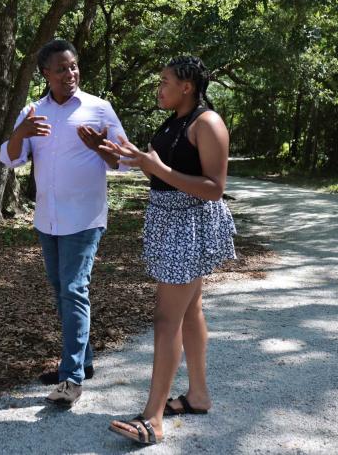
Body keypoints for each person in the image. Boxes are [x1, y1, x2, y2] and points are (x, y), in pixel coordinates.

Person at [100, 56, 236, 445]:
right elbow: (158, 168)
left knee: (166, 319)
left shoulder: (207, 123)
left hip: (189, 224)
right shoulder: (174, 120)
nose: (159, 88)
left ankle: (153, 419)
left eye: (164, 81)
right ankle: (198, 396)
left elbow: (214, 187)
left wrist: (156, 169)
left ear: (187, 86)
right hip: (168, 222)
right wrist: (125, 156)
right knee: (190, 311)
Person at [0, 39, 128, 407]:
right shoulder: (33, 111)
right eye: (61, 69)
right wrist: (20, 134)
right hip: (48, 219)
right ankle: (83, 362)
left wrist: (100, 148)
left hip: (84, 218)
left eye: (73, 66)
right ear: (46, 74)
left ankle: (70, 377)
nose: (70, 74)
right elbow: (10, 161)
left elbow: (125, 160)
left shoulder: (98, 109)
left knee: (73, 289)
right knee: (61, 291)